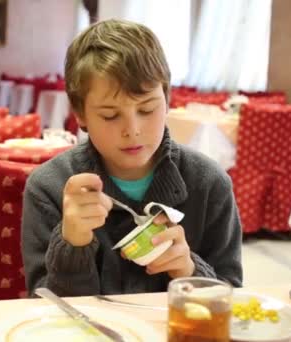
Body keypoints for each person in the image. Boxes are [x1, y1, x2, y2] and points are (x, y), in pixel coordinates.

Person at [21, 19, 242, 296]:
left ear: (167, 99)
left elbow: (232, 297)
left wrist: (189, 271)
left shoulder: (209, 183)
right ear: (80, 114)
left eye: (147, 109)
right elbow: (47, 309)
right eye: (110, 115)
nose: (133, 130)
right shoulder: (49, 187)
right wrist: (72, 244)